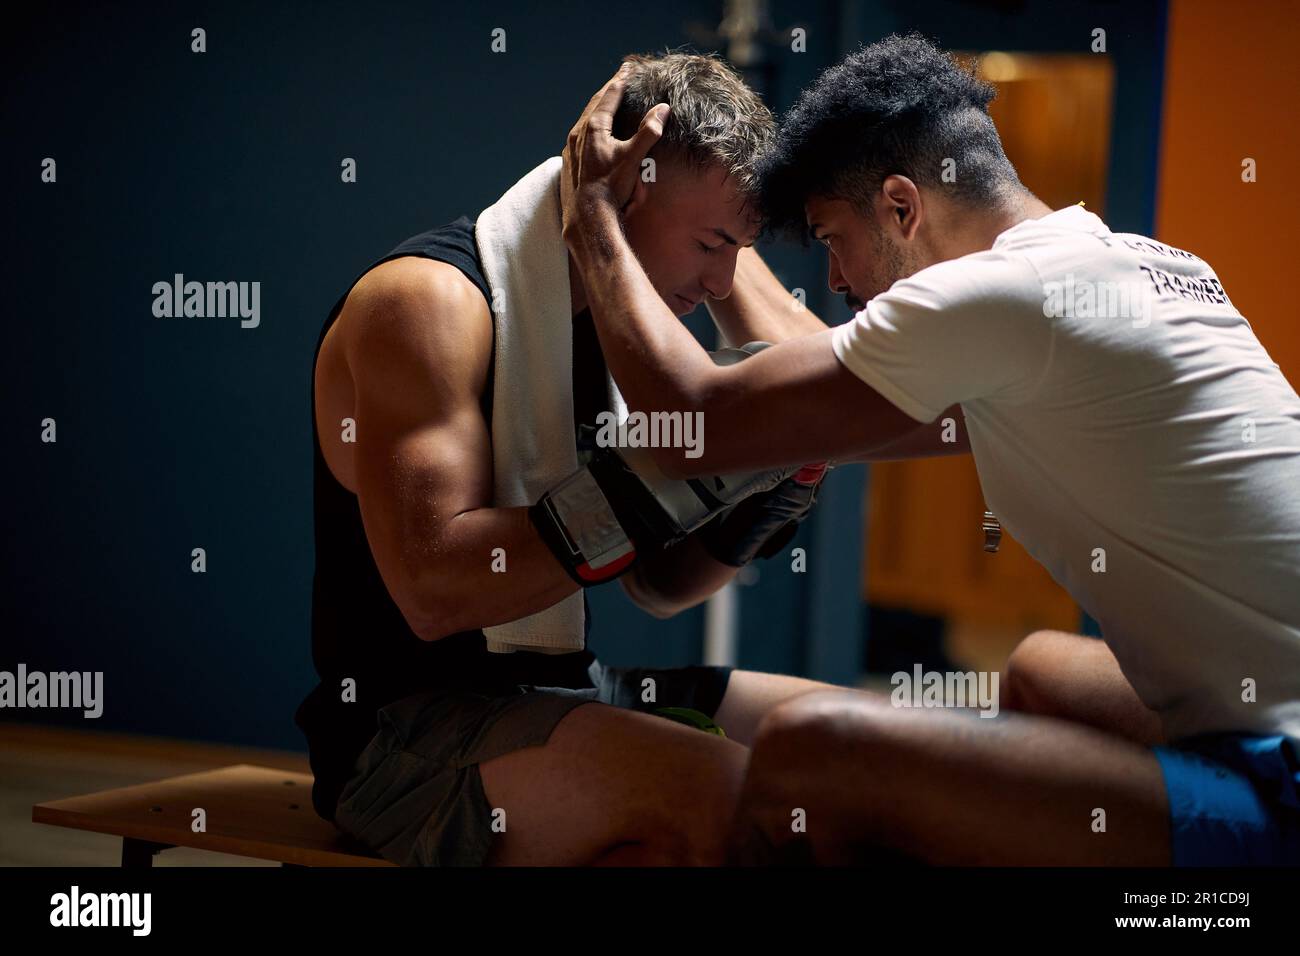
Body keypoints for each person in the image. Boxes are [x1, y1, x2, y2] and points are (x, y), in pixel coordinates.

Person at [559, 36, 1300, 865]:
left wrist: (593, 212)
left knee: (813, 748)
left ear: (904, 208)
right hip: (1261, 708)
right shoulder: (1127, 268)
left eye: (834, 238)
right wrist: (722, 239)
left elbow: (697, 422)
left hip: (1286, 773)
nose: (835, 280)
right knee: (1040, 670)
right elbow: (815, 396)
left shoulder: (1002, 296)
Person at [294, 52, 851, 867]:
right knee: (733, 800)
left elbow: (662, 585)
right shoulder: (427, 305)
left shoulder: (604, 328)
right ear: (626, 189)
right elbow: (435, 591)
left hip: (568, 691)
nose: (724, 277)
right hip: (404, 735)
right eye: (709, 243)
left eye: (740, 247)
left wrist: (774, 484)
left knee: (870, 756)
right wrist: (678, 478)